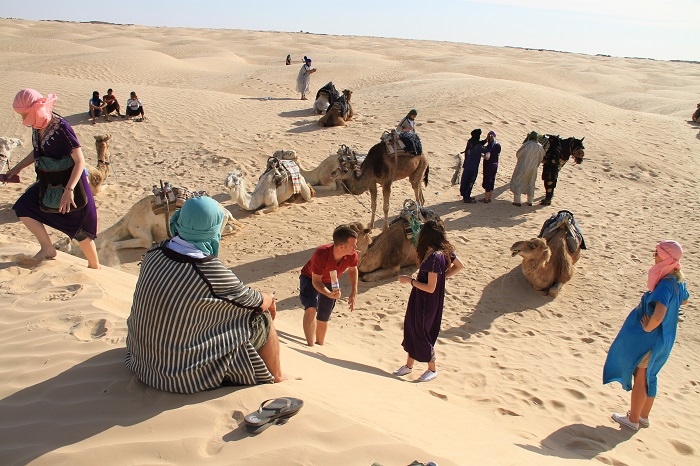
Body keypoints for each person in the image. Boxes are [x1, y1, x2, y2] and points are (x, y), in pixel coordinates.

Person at [125, 196, 287, 393]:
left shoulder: (154, 252)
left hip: (142, 362)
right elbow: (255, 302)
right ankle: (278, 377)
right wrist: (269, 297)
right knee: (262, 318)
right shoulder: (207, 269)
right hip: (177, 377)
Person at [7, 88, 99, 269]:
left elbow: (80, 161)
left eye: (24, 114)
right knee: (23, 207)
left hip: (71, 183)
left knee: (79, 229)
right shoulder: (37, 126)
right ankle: (48, 248)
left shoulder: (61, 127)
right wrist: (17, 168)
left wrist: (69, 191)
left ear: (34, 109)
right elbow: (38, 151)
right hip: (49, 181)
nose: (22, 119)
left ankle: (95, 268)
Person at [603, 240, 689, 430]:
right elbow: (684, 300)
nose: (654, 256)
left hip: (653, 340)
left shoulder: (665, 285)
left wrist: (649, 327)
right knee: (651, 376)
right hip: (665, 340)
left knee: (640, 377)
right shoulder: (678, 280)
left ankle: (632, 420)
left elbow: (659, 314)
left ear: (666, 258)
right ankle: (643, 417)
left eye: (657, 253)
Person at [394, 220, 464, 382]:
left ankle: (432, 369)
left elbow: (430, 287)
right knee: (412, 327)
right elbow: (459, 265)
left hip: (426, 300)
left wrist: (409, 280)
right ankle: (409, 366)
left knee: (421, 332)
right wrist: (443, 278)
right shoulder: (444, 250)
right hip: (421, 298)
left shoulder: (434, 258)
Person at [300, 224, 359, 346]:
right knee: (311, 306)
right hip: (310, 278)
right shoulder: (321, 253)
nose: (356, 248)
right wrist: (328, 293)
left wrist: (353, 292)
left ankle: (320, 344)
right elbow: (316, 281)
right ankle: (309, 346)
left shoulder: (352, 255)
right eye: (353, 245)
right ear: (342, 247)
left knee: (324, 313)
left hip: (331, 280)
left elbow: (353, 270)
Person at [510, 131, 545, 206]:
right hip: (534, 168)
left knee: (518, 181)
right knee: (531, 182)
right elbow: (541, 158)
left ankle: (517, 201)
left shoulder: (527, 144)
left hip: (523, 166)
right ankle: (530, 201)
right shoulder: (540, 146)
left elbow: (518, 154)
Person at [459, 128, 486, 203]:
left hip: (467, 165)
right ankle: (467, 197)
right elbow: (486, 149)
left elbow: (479, 143)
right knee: (470, 181)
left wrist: (485, 140)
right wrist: (491, 142)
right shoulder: (478, 146)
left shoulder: (470, 142)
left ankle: (464, 194)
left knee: (464, 180)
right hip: (473, 167)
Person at [480, 130, 501, 203]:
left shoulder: (490, 146)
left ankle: (486, 198)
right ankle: (489, 198)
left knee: (487, 181)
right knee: (492, 180)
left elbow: (487, 157)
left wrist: (481, 155)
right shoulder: (498, 145)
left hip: (489, 165)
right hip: (495, 164)